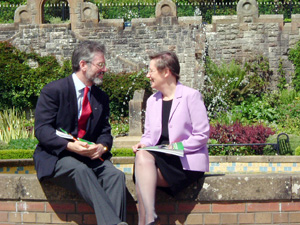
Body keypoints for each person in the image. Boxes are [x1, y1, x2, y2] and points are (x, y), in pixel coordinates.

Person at [34, 40, 128, 225]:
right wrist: (71, 146)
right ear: (83, 65)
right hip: (58, 155)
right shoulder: (54, 90)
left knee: (116, 176)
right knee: (81, 170)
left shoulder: (101, 97)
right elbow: (42, 130)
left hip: (90, 157)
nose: (105, 69)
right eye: (100, 65)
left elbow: (105, 132)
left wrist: (102, 146)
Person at [132, 51, 210, 225]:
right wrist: (143, 143)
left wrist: (177, 148)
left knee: (141, 171)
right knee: (141, 156)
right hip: (161, 159)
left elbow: (202, 135)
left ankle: (146, 220)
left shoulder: (191, 96)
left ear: (166, 72)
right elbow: (149, 134)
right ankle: (149, 219)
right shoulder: (153, 101)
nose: (148, 75)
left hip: (185, 162)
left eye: (151, 71)